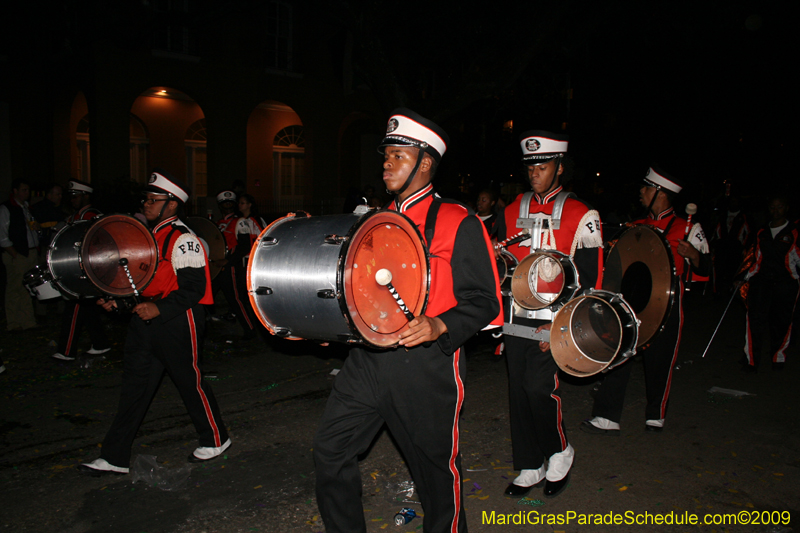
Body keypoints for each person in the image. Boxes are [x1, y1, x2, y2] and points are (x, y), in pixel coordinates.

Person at [314, 109, 502, 533]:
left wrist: (440, 325)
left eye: (397, 155)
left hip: (426, 367)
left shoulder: (459, 221)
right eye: (386, 156)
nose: (386, 163)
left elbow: (484, 301)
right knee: (330, 450)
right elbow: (359, 288)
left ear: (426, 163)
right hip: (365, 362)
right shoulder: (373, 223)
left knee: (434, 476)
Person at [81, 169, 230, 474]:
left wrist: (158, 309)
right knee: (135, 386)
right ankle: (115, 456)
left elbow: (193, 289)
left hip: (178, 319)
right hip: (149, 322)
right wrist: (119, 303)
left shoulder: (183, 239)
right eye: (146, 198)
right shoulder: (148, 236)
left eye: (153, 199)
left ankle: (216, 438)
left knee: (189, 381)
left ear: (172, 204)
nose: (146, 203)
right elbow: (144, 287)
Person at [493, 131, 603, 498]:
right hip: (515, 313)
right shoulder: (509, 211)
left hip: (554, 317)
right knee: (517, 390)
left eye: (542, 165)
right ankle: (529, 463)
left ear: (560, 167)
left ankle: (559, 450)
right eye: (530, 166)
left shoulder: (581, 213)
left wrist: (568, 327)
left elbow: (591, 278)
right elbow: (499, 265)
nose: (534, 172)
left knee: (538, 387)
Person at [581, 166, 711, 435]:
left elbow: (706, 271)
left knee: (660, 359)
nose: (641, 192)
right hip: (632, 302)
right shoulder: (636, 226)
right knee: (620, 353)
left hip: (666, 304)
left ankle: (656, 413)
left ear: (660, 194)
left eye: (647, 188)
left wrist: (694, 256)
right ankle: (607, 415)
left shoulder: (687, 227)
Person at [52, 180, 111, 361]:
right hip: (81, 266)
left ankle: (67, 350)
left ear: (86, 196)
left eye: (76, 196)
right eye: (71, 196)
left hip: (88, 268)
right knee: (88, 305)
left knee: (76, 304)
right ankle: (100, 344)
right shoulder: (77, 215)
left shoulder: (91, 215)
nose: (72, 200)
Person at [742, 194, 798, 372]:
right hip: (762, 282)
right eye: (772, 207)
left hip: (786, 284)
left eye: (779, 207)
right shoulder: (762, 232)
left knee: (781, 323)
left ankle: (778, 358)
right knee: (754, 320)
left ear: (786, 208)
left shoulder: (794, 232)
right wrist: (744, 277)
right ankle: (751, 361)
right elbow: (756, 259)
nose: (776, 211)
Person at [215, 190, 256, 338]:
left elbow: (244, 246)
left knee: (235, 299)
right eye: (224, 204)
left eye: (230, 203)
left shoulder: (240, 222)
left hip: (231, 267)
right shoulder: (217, 223)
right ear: (220, 207)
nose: (227, 206)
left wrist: (228, 261)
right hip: (217, 267)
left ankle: (250, 330)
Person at [0, 179, 40, 331]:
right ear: (15, 191)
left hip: (29, 252)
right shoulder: (6, 208)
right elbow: (2, 236)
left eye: (27, 190)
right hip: (17, 253)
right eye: (23, 190)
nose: (27, 193)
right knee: (14, 288)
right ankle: (13, 322)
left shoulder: (26, 208)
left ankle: (28, 321)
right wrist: (14, 254)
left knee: (27, 289)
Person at [712, 195, 750, 295]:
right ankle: (718, 291)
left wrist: (744, 247)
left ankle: (731, 291)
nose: (733, 204)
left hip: (735, 247)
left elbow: (749, 234)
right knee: (719, 268)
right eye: (732, 201)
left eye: (736, 202)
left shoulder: (744, 216)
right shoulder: (723, 215)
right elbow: (717, 230)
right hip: (722, 245)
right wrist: (716, 244)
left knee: (732, 270)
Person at [30, 183, 65, 247]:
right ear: (49, 195)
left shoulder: (63, 209)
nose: (60, 197)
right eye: (58, 194)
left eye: (61, 194)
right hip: (45, 246)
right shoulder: (38, 209)